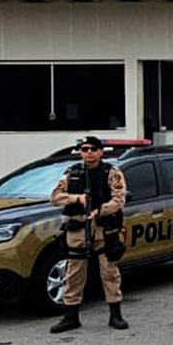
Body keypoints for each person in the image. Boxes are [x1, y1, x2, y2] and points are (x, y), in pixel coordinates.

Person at [48, 135, 128, 333]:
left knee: (109, 271)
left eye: (93, 149)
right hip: (77, 227)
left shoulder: (112, 172)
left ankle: (115, 314)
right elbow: (55, 197)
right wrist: (78, 198)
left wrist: (99, 211)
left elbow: (119, 200)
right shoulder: (72, 173)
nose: (89, 153)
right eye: (85, 149)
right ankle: (71, 316)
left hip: (103, 227)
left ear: (101, 151)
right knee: (74, 271)